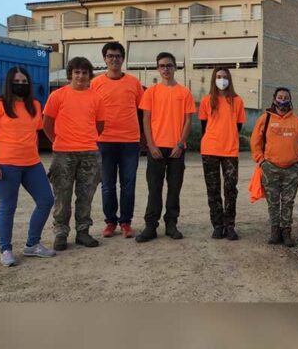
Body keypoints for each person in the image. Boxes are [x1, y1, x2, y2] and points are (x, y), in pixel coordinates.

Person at [0, 67, 56, 266]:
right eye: (17, 81)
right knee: (8, 207)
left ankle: (33, 244)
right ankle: (5, 249)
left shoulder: (35, 106)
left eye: (24, 82)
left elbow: (35, 133)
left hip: (32, 164)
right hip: (5, 165)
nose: (20, 85)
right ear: (9, 83)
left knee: (46, 200)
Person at [43, 57, 106, 250]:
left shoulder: (96, 97)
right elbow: (47, 123)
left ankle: (83, 232)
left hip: (89, 152)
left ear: (89, 75)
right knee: (62, 195)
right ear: (70, 74)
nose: (80, 76)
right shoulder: (57, 96)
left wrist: (87, 140)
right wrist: (58, 141)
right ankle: (61, 233)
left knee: (86, 194)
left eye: (84, 72)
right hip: (63, 153)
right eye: (77, 72)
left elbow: (100, 125)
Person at [135, 52, 196, 243]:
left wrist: (180, 144)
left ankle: (171, 224)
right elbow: (145, 119)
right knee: (154, 188)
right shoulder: (151, 92)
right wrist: (150, 145)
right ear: (157, 69)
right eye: (162, 66)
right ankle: (150, 226)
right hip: (156, 148)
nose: (166, 69)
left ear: (175, 68)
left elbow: (188, 121)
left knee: (174, 188)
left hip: (177, 148)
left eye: (169, 66)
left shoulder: (184, 92)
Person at [90, 42, 144, 239]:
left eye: (118, 56)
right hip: (104, 141)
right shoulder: (95, 84)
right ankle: (111, 221)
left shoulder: (133, 82)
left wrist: (144, 137)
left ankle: (126, 222)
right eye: (110, 56)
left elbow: (143, 111)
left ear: (123, 59)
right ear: (104, 58)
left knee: (128, 184)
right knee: (107, 184)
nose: (114, 59)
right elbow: (90, 112)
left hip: (130, 141)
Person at [251, 87, 298, 247]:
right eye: (280, 96)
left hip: (292, 169)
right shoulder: (265, 118)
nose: (283, 99)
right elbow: (255, 141)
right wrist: (261, 161)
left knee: (288, 202)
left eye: (286, 97)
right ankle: (275, 230)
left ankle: (286, 231)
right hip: (270, 168)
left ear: (290, 99)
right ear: (274, 99)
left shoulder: (297, 121)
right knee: (273, 202)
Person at [198, 67, 246, 240]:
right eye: (219, 77)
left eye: (225, 77)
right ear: (214, 79)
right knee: (213, 189)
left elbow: (238, 126)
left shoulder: (237, 101)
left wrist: (229, 137)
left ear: (230, 79)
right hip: (210, 149)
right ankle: (217, 226)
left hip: (230, 151)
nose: (222, 80)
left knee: (230, 188)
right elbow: (204, 126)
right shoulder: (206, 100)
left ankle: (230, 226)